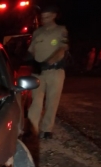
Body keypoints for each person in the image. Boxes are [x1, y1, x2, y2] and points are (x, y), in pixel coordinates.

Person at [27, 5, 69, 139]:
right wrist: (35, 62)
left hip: (54, 71)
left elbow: (62, 49)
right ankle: (32, 128)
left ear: (54, 16)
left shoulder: (61, 30)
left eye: (47, 17)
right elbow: (32, 50)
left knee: (52, 101)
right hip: (39, 72)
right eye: (42, 17)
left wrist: (48, 61)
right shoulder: (37, 32)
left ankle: (47, 129)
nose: (43, 20)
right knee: (36, 101)